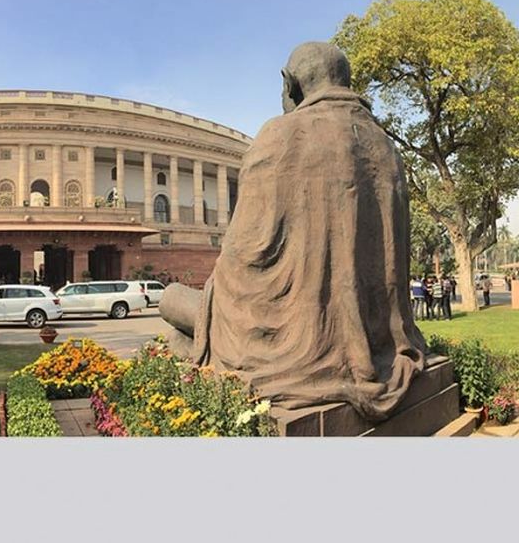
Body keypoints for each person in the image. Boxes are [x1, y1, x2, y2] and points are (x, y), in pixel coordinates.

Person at [158, 41, 426, 421]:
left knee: (171, 302)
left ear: (290, 84)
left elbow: (244, 255)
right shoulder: (387, 147)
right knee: (183, 336)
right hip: (379, 337)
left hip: (284, 335)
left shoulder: (279, 134)